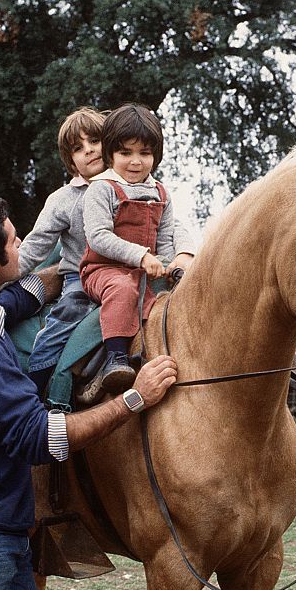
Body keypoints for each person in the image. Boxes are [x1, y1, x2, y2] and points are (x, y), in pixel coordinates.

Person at [0, 195, 178, 590]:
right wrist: (133, 400)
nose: (25, 248)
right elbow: (41, 438)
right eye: (16, 242)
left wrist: (56, 279)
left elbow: (2, 306)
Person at [17, 106, 195, 402]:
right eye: (78, 148)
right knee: (61, 328)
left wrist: (185, 253)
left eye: (95, 141)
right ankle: (38, 390)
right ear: (70, 159)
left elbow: (172, 226)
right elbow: (36, 245)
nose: (89, 151)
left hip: (140, 269)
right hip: (82, 276)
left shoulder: (146, 188)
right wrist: (4, 276)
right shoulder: (65, 200)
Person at [80, 103, 184, 395]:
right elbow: (99, 236)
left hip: (145, 270)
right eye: (126, 153)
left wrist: (170, 264)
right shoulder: (102, 189)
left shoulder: (161, 193)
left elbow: (164, 241)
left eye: (145, 153)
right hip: (103, 270)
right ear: (110, 154)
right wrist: (140, 256)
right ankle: (116, 357)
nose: (136, 161)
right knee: (123, 289)